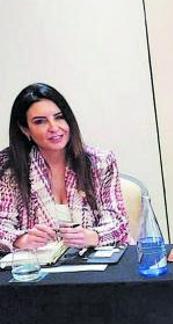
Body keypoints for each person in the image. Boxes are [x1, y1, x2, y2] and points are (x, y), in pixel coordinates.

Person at [0, 83, 129, 252]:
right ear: (25, 130)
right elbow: (2, 224)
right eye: (40, 121)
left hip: (94, 265)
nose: (54, 128)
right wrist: (20, 240)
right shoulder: (8, 166)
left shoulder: (100, 162)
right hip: (35, 267)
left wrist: (92, 236)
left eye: (59, 117)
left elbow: (118, 221)